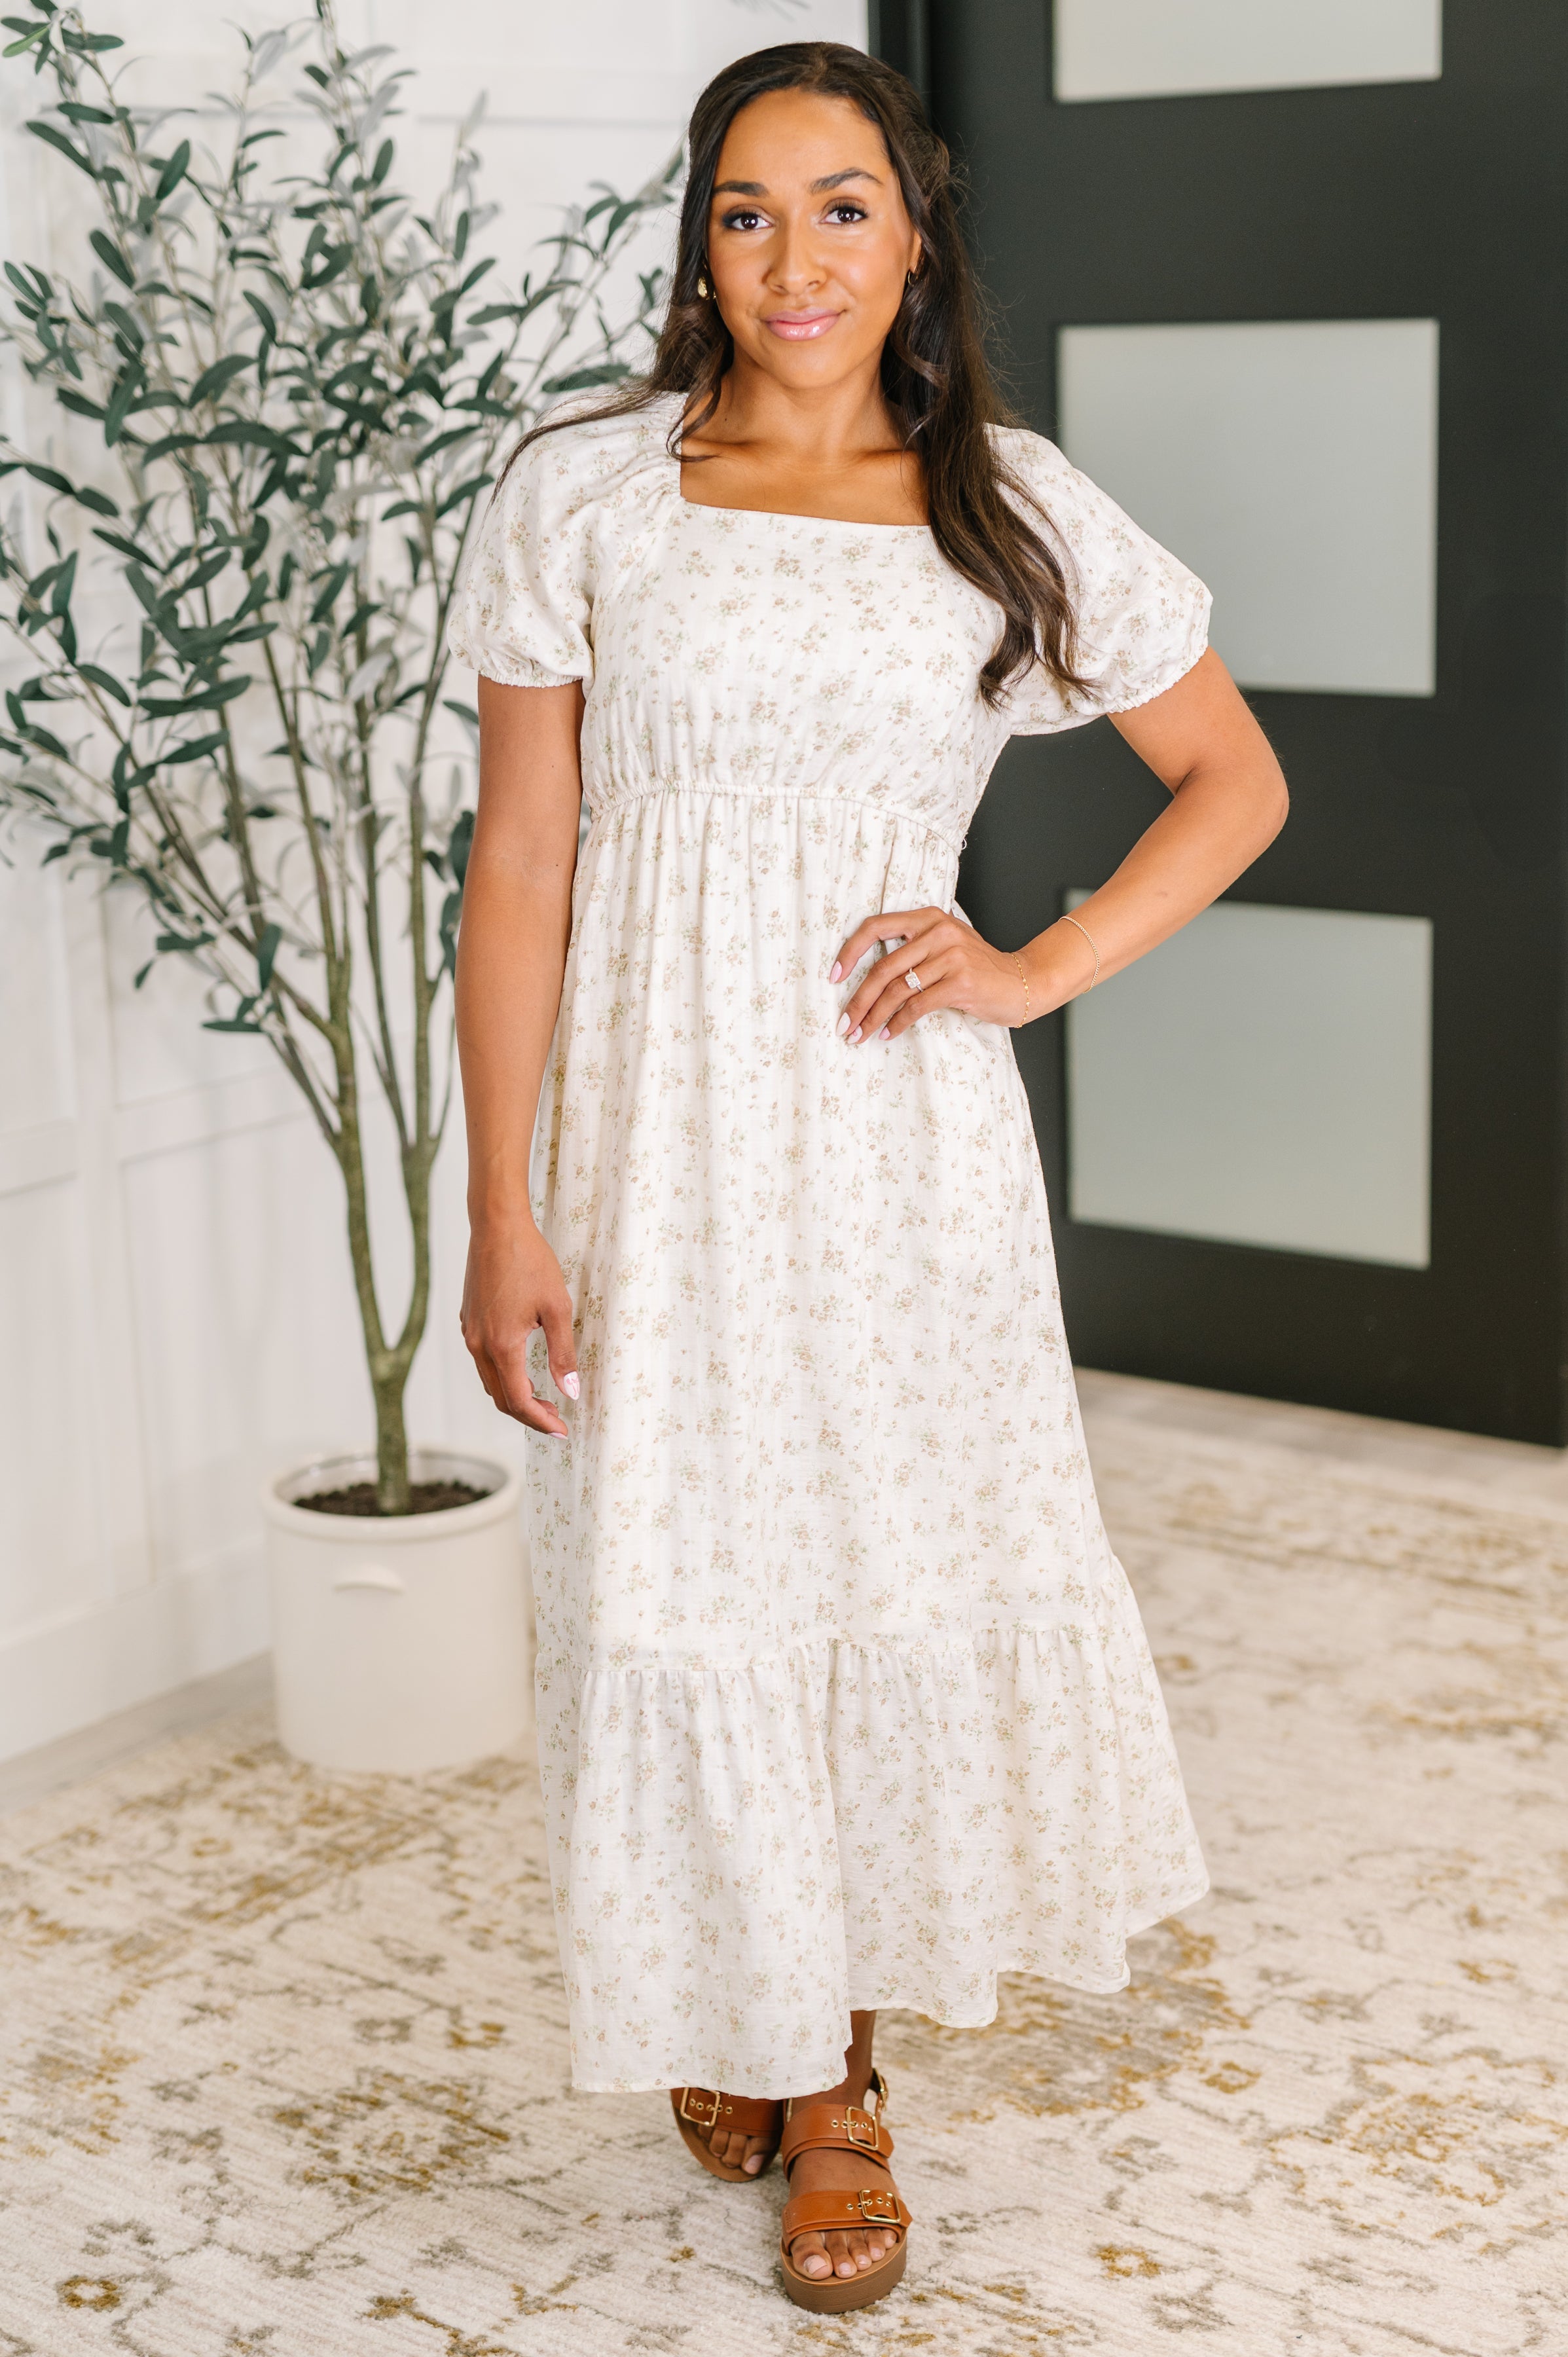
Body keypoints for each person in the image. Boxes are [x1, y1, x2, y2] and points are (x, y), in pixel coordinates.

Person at [450, 39, 1287, 2316]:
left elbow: (1229, 781)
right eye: (744, 210)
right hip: (649, 1137)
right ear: (695, 241)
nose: (791, 259)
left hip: (888, 1148)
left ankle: (836, 2086)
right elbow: (523, 858)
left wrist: (1029, 970)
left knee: (864, 1561)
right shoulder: (585, 493)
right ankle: (752, 2001)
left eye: (838, 208)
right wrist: (500, 1203)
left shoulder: (998, 502)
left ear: (914, 233)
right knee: (680, 1572)